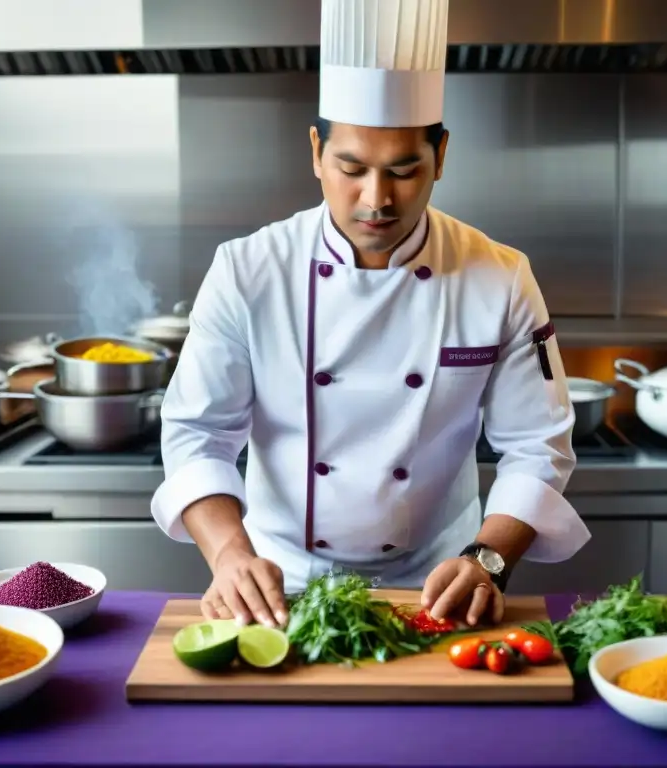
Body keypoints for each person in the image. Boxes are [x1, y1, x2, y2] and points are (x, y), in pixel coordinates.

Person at [151, 0, 590, 630]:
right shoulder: (247, 271)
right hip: (279, 587)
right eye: (351, 169)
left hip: (440, 586)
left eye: (404, 171)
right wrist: (228, 554)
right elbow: (197, 433)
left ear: (441, 155)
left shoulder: (500, 277)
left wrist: (488, 560)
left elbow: (537, 447)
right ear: (315, 152)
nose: (376, 200)